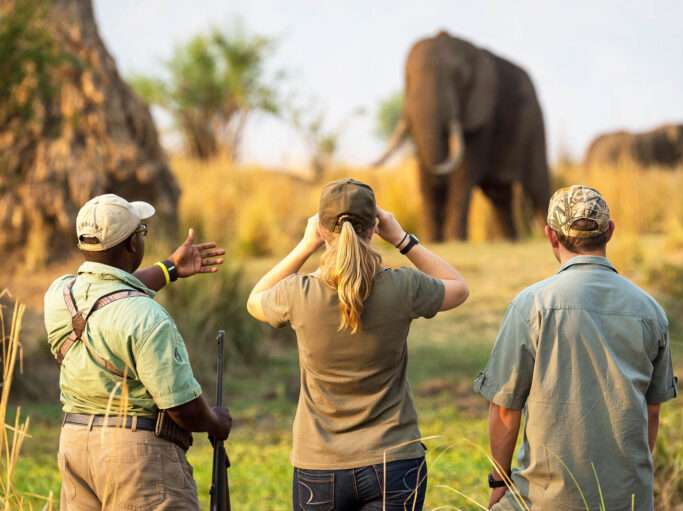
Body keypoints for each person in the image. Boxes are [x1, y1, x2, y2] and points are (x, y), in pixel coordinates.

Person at [246, 178, 469, 511]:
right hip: (394, 458)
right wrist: (402, 238)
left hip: (319, 465)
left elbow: (254, 300)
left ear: (322, 229)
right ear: (373, 228)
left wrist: (305, 246)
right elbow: (458, 287)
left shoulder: (298, 294)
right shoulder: (403, 286)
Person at [474, 185, 678, 511]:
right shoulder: (650, 309)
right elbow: (653, 410)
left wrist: (500, 481)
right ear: (609, 232)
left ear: (551, 236)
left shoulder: (531, 305)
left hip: (545, 500)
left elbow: (504, 410)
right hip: (630, 499)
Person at [43, 193, 233, 510]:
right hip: (136, 459)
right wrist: (215, 422)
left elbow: (110, 291)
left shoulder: (60, 295)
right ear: (132, 245)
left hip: (76, 448)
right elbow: (181, 407)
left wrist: (170, 267)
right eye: (141, 232)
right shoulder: (148, 317)